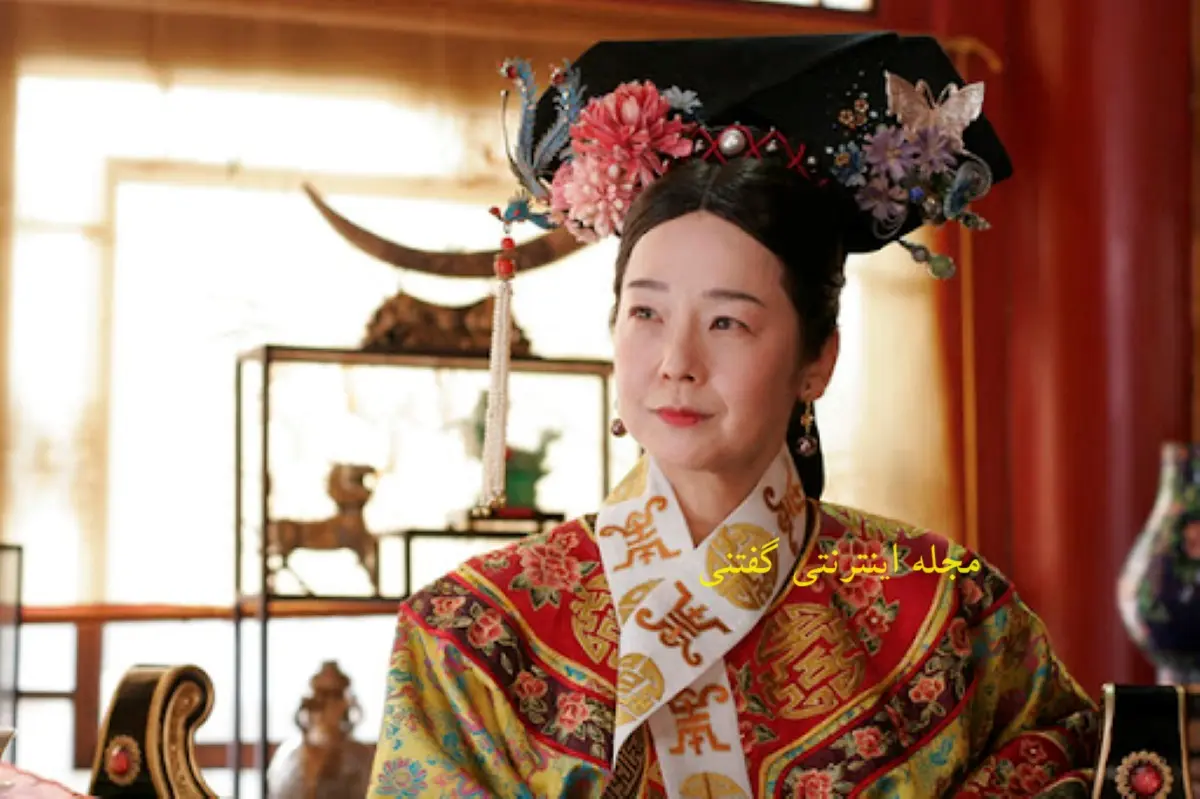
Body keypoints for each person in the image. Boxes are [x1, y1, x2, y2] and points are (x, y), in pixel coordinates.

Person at [367, 32, 1100, 798]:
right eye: (646, 313)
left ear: (817, 360)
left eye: (728, 321)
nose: (676, 360)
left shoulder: (950, 608)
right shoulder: (473, 635)